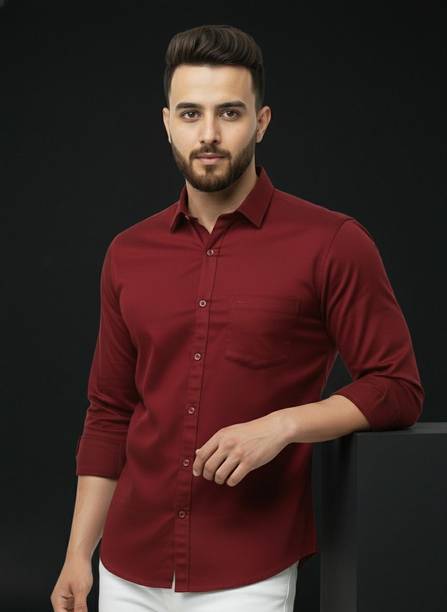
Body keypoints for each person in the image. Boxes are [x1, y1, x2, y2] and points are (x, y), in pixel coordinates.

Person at [50, 23, 424, 612]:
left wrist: (281, 425)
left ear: (261, 121)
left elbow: (397, 388)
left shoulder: (332, 243)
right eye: (191, 114)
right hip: (127, 567)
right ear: (167, 123)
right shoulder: (127, 252)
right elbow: (110, 412)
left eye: (229, 112)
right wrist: (78, 553)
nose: (209, 133)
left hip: (249, 569)